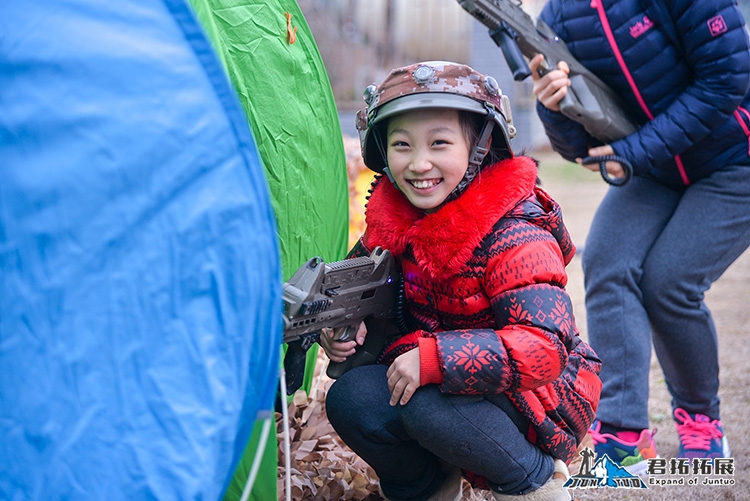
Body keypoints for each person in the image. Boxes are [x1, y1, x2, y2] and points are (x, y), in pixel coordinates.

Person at [321, 61, 602, 501]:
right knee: (352, 399)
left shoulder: (513, 232)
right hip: (441, 384)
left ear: (480, 147)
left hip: (538, 402)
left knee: (425, 402)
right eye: (401, 144)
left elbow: (545, 349)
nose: (418, 163)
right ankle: (428, 486)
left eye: (439, 143)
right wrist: (344, 331)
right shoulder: (393, 223)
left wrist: (436, 359)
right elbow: (361, 294)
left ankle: (534, 480)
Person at [531, 0, 750, 475]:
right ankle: (625, 434)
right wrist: (554, 107)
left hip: (735, 158)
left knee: (669, 282)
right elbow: (582, 146)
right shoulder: (558, 19)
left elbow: (727, 79)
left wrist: (634, 151)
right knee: (608, 262)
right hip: (653, 168)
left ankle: (702, 421)